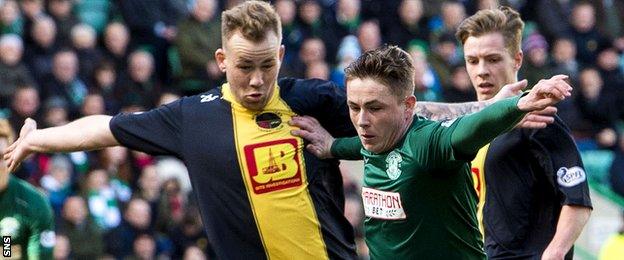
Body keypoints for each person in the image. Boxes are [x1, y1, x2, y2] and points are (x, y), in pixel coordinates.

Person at [4, 1, 357, 259]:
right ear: (221, 60)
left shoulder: (315, 100)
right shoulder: (193, 117)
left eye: (267, 64)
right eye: (244, 65)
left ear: (280, 55)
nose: (257, 80)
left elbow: (393, 125)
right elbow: (106, 129)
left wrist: (336, 146)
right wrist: (37, 139)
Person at [290, 45, 572, 259]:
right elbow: (359, 148)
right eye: (355, 107)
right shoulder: (374, 140)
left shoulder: (428, 143)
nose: (362, 120)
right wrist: (331, 146)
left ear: (408, 106)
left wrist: (519, 105)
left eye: (375, 108)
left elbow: (469, 129)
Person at [413, 7, 592, 259]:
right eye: (472, 60)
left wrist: (556, 251)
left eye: (493, 59)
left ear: (517, 59)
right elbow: (406, 115)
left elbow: (577, 197)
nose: (481, 70)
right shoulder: (464, 127)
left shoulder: (537, 120)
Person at [0, 119, 55, 259]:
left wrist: (6, 254)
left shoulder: (33, 202)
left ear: (11, 157)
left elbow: (39, 256)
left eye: (0, 157)